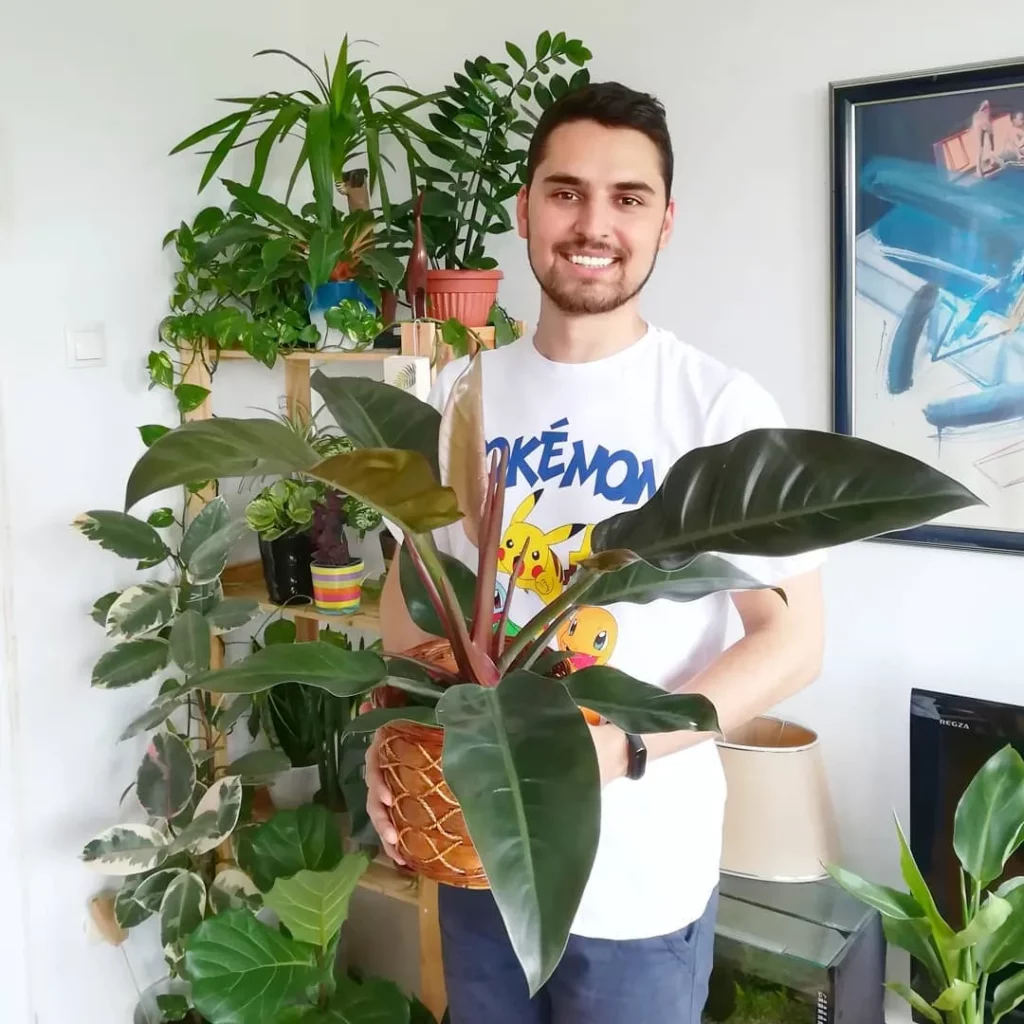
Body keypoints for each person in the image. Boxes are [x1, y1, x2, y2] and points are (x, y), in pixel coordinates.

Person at [364, 81, 826, 1024]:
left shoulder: (716, 408)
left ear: (665, 222)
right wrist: (391, 733)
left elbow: (791, 643)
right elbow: (408, 603)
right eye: (566, 191)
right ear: (526, 207)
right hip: (479, 862)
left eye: (628, 198)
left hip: (641, 893)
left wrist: (626, 749)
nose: (593, 223)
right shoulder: (462, 393)